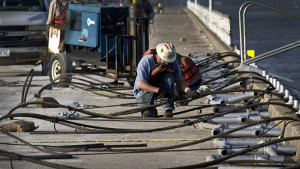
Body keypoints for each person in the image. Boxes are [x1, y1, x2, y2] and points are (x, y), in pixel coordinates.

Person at [133, 43, 200, 118]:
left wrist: (188, 91)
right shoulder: (146, 61)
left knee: (169, 76)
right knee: (148, 115)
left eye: (169, 60)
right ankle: (152, 110)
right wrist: (158, 90)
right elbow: (140, 84)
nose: (167, 63)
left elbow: (179, 80)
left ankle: (168, 109)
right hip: (144, 89)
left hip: (161, 87)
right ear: (158, 55)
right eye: (165, 60)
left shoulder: (172, 62)